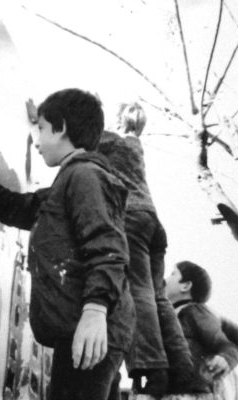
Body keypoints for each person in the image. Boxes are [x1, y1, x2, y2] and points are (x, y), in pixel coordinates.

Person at [0, 88, 135, 400]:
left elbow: (107, 246)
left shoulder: (85, 177)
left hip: (89, 328)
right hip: (85, 329)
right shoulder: (66, 184)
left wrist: (95, 310)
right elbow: (18, 207)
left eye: (41, 128)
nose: (36, 142)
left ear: (61, 127)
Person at [98, 102, 194, 399]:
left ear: (119, 120)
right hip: (151, 222)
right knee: (156, 296)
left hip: (131, 218)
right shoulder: (134, 145)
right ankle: (182, 367)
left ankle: (153, 369)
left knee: (136, 292)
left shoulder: (112, 140)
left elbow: (78, 136)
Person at [166, 261, 238, 399]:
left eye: (172, 274)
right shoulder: (169, 315)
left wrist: (226, 358)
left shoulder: (194, 311)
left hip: (192, 394)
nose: (166, 279)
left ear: (185, 286)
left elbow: (225, 344)